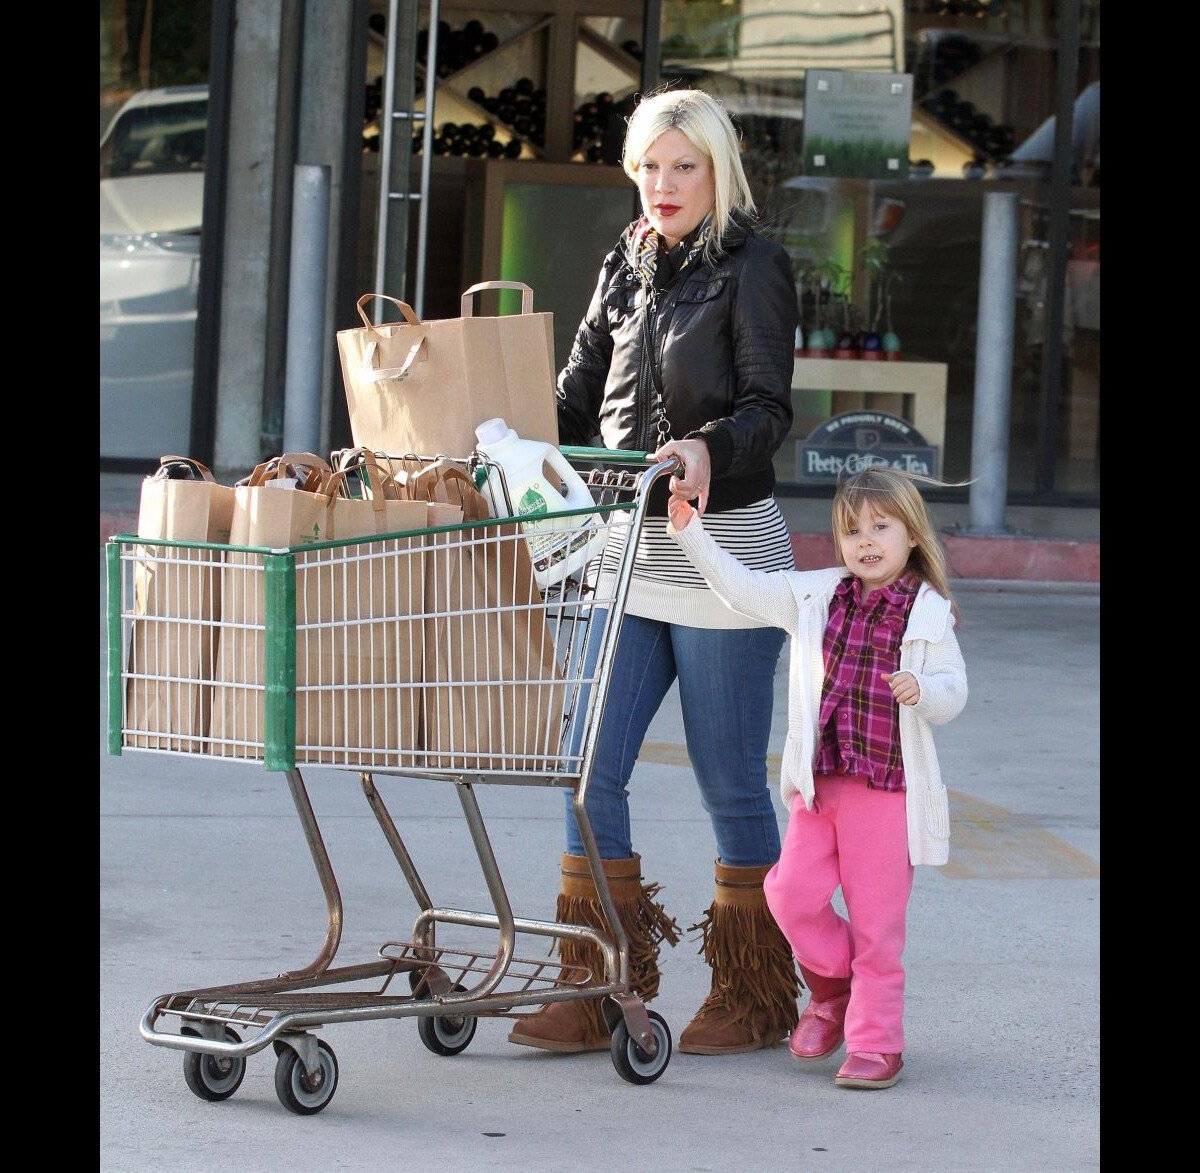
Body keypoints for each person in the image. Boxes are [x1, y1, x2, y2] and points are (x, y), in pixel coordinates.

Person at [506, 87, 802, 1057]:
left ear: (717, 172)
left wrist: (712, 444)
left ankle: (755, 994)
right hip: (627, 555)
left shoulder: (756, 265)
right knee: (589, 771)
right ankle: (600, 987)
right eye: (649, 166)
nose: (664, 184)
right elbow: (576, 393)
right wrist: (500, 437)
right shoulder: (625, 262)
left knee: (729, 782)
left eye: (684, 166)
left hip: (723, 556)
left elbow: (768, 406)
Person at [665, 465, 968, 1089]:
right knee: (789, 894)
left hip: (884, 795)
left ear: (911, 534)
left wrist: (924, 690)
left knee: (878, 926)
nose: (866, 541)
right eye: (852, 530)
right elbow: (743, 591)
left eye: (881, 527)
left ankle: (877, 1042)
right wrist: (694, 534)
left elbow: (954, 693)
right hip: (819, 787)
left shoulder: (930, 613)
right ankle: (834, 989)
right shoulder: (816, 595)